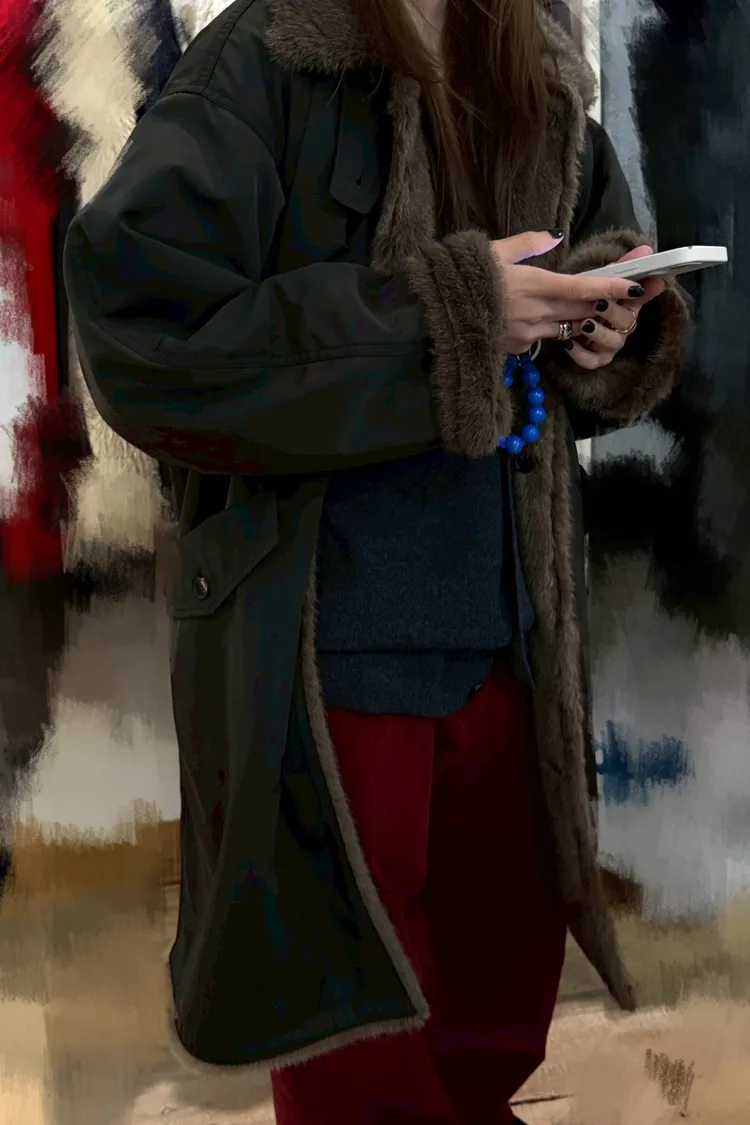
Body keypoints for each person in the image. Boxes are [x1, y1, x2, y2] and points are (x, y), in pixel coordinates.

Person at [62, 0, 689, 1121]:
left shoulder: (536, 64)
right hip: (330, 654)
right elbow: (141, 333)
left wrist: (608, 321)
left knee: (491, 1028)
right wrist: (440, 317)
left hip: (513, 642)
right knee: (357, 1052)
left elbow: (596, 256)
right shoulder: (261, 62)